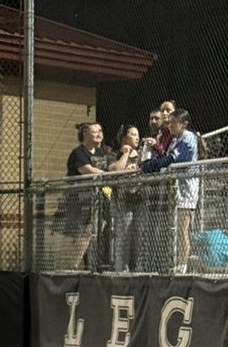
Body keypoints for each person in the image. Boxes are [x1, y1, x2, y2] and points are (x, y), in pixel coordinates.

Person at [141, 108, 199, 272]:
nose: (170, 126)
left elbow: (173, 159)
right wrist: (148, 163)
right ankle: (173, 262)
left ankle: (182, 266)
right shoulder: (174, 139)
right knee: (173, 229)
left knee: (182, 229)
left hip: (187, 189)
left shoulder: (188, 137)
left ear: (184, 124)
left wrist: (148, 167)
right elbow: (164, 157)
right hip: (175, 188)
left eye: (173, 123)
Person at [60, 121, 108, 270]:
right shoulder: (79, 153)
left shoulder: (101, 153)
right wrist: (108, 175)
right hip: (79, 200)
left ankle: (90, 265)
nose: (99, 134)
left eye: (100, 131)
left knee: (97, 229)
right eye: (95, 131)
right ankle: (72, 266)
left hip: (97, 199)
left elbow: (109, 166)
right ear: (85, 134)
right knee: (81, 233)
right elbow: (86, 170)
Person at [107, 124, 143, 272]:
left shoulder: (142, 155)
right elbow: (116, 170)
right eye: (133, 134)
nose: (137, 137)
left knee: (139, 238)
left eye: (138, 135)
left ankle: (138, 269)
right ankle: (122, 270)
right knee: (124, 237)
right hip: (122, 202)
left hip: (139, 200)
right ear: (124, 138)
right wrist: (125, 154)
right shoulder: (114, 155)